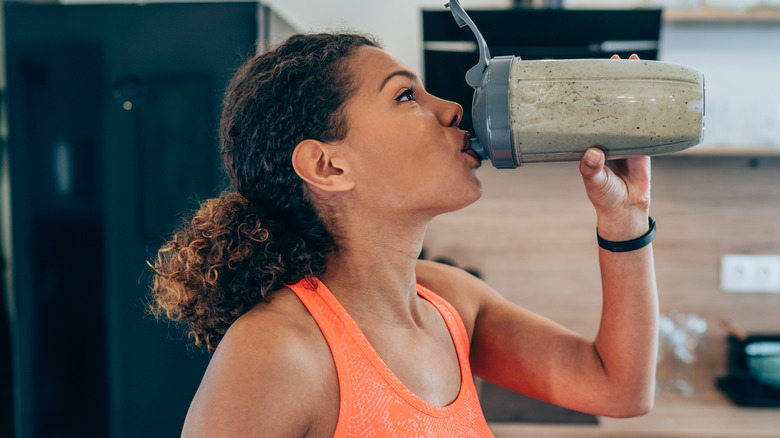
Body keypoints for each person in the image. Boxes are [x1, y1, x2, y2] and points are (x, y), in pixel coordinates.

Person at [149, 33, 657, 437]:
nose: (452, 109)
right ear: (327, 165)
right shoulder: (278, 349)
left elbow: (620, 389)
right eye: (406, 94)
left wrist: (626, 220)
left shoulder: (450, 302)